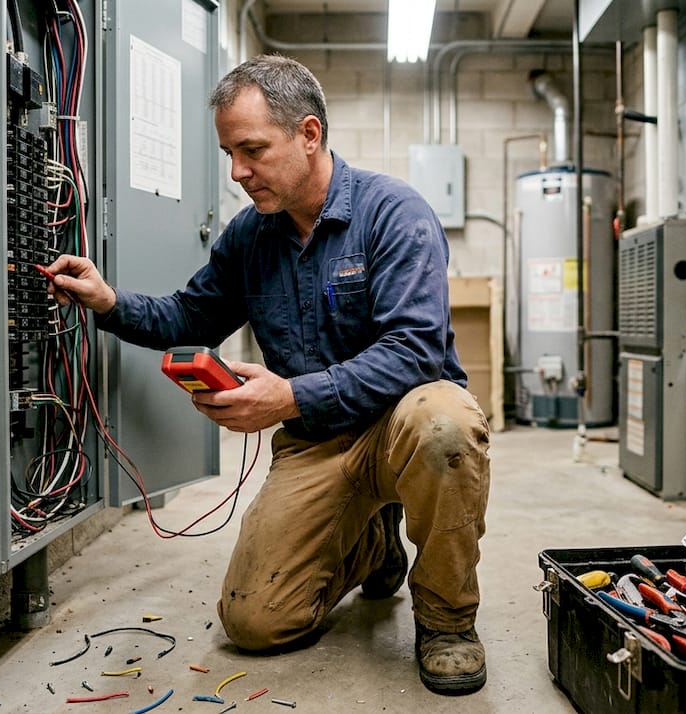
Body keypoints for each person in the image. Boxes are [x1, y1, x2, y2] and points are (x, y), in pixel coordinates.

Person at [45, 54, 491, 696]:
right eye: (229, 152)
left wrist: (288, 395)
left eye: (252, 149)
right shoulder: (249, 237)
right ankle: (373, 545)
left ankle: (448, 622)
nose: (237, 171)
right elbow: (190, 314)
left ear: (309, 134)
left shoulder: (393, 214)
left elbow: (416, 350)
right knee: (254, 624)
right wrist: (109, 302)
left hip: (402, 426)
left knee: (447, 424)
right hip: (317, 442)